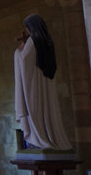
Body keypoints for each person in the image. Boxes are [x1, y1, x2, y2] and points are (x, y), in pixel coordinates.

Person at [13, 14, 73, 150]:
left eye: (27, 28)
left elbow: (23, 60)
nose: (27, 31)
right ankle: (49, 138)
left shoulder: (33, 40)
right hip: (45, 84)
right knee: (47, 111)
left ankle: (38, 139)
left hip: (34, 85)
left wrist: (18, 51)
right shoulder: (47, 42)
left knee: (35, 112)